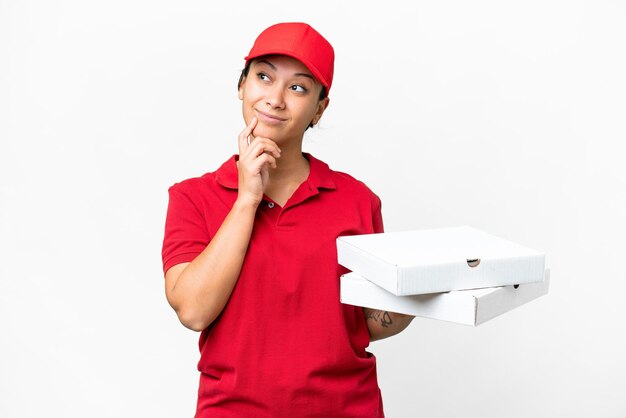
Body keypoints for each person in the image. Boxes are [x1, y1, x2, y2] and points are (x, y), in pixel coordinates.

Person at [161, 22, 414, 417]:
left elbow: (370, 323)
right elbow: (193, 311)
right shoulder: (193, 197)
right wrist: (247, 198)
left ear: (319, 108)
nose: (275, 99)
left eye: (298, 88)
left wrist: (418, 294)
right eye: (263, 76)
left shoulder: (357, 201)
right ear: (241, 85)